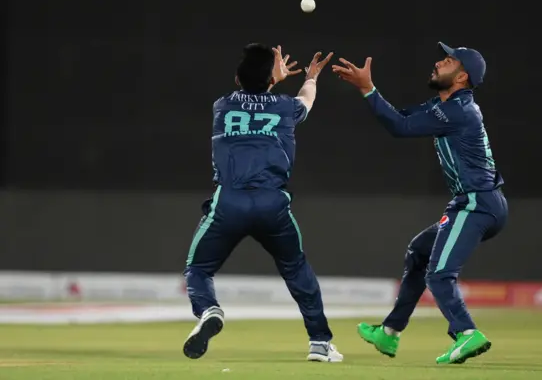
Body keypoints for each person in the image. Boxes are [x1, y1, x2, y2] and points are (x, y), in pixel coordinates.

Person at [332, 42, 508, 365]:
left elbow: (399, 127)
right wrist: (369, 91)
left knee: (440, 275)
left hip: (477, 203)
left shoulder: (456, 110)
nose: (440, 62)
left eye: (449, 60)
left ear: (462, 76)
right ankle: (390, 331)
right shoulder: (448, 104)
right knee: (419, 253)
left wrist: (368, 89)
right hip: (475, 202)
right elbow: (401, 118)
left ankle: (467, 333)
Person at [182, 43, 343, 363]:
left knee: (199, 269)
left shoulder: (223, 105)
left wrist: (268, 78)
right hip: (272, 204)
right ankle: (320, 344)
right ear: (271, 77)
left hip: (229, 201)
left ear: (238, 78)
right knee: (297, 270)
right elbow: (306, 99)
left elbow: (250, 95)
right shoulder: (285, 107)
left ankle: (209, 310)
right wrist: (309, 76)